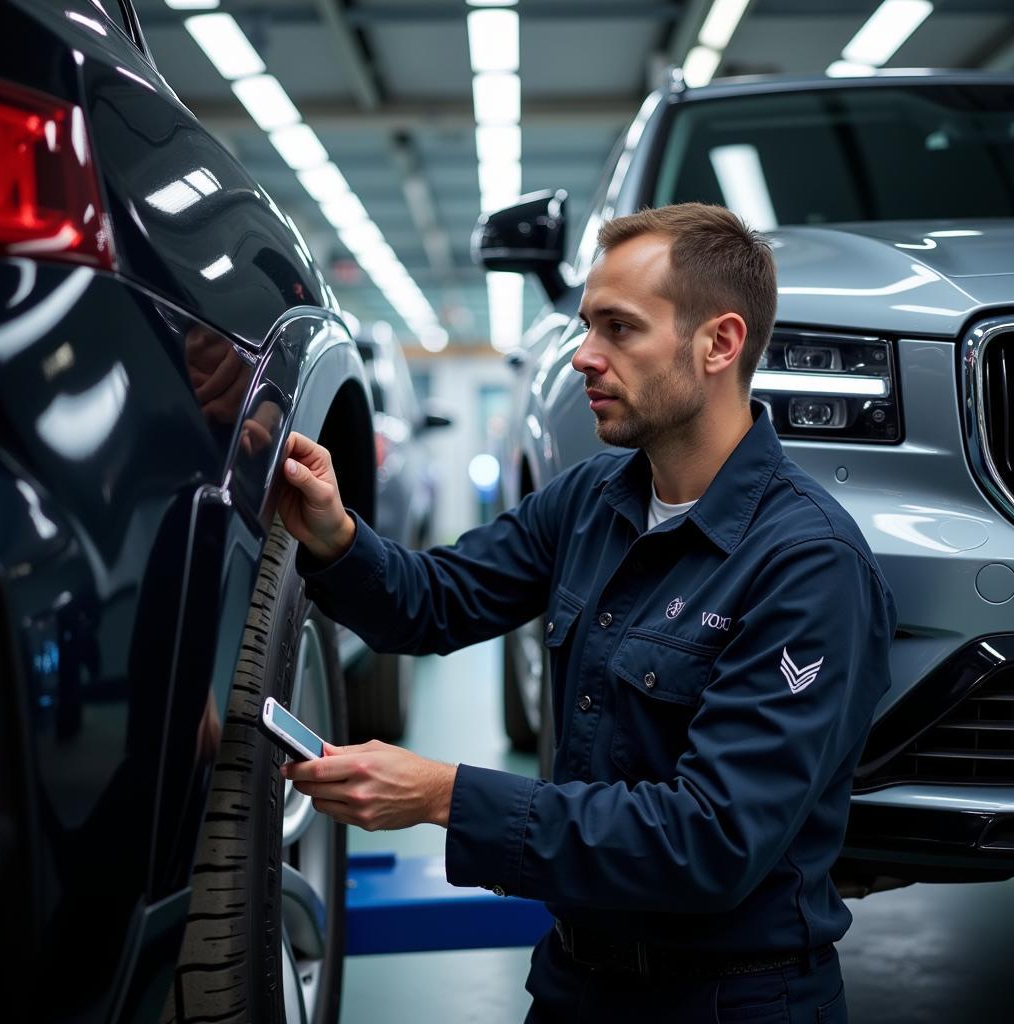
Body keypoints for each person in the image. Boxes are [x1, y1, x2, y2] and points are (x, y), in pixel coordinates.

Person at [278, 202, 895, 1022]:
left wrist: (445, 796)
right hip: (574, 982)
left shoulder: (808, 564)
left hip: (731, 1001)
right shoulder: (590, 501)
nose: (584, 359)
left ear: (719, 343)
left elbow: (708, 843)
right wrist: (334, 534)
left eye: (619, 329)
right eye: (585, 328)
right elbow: (434, 603)